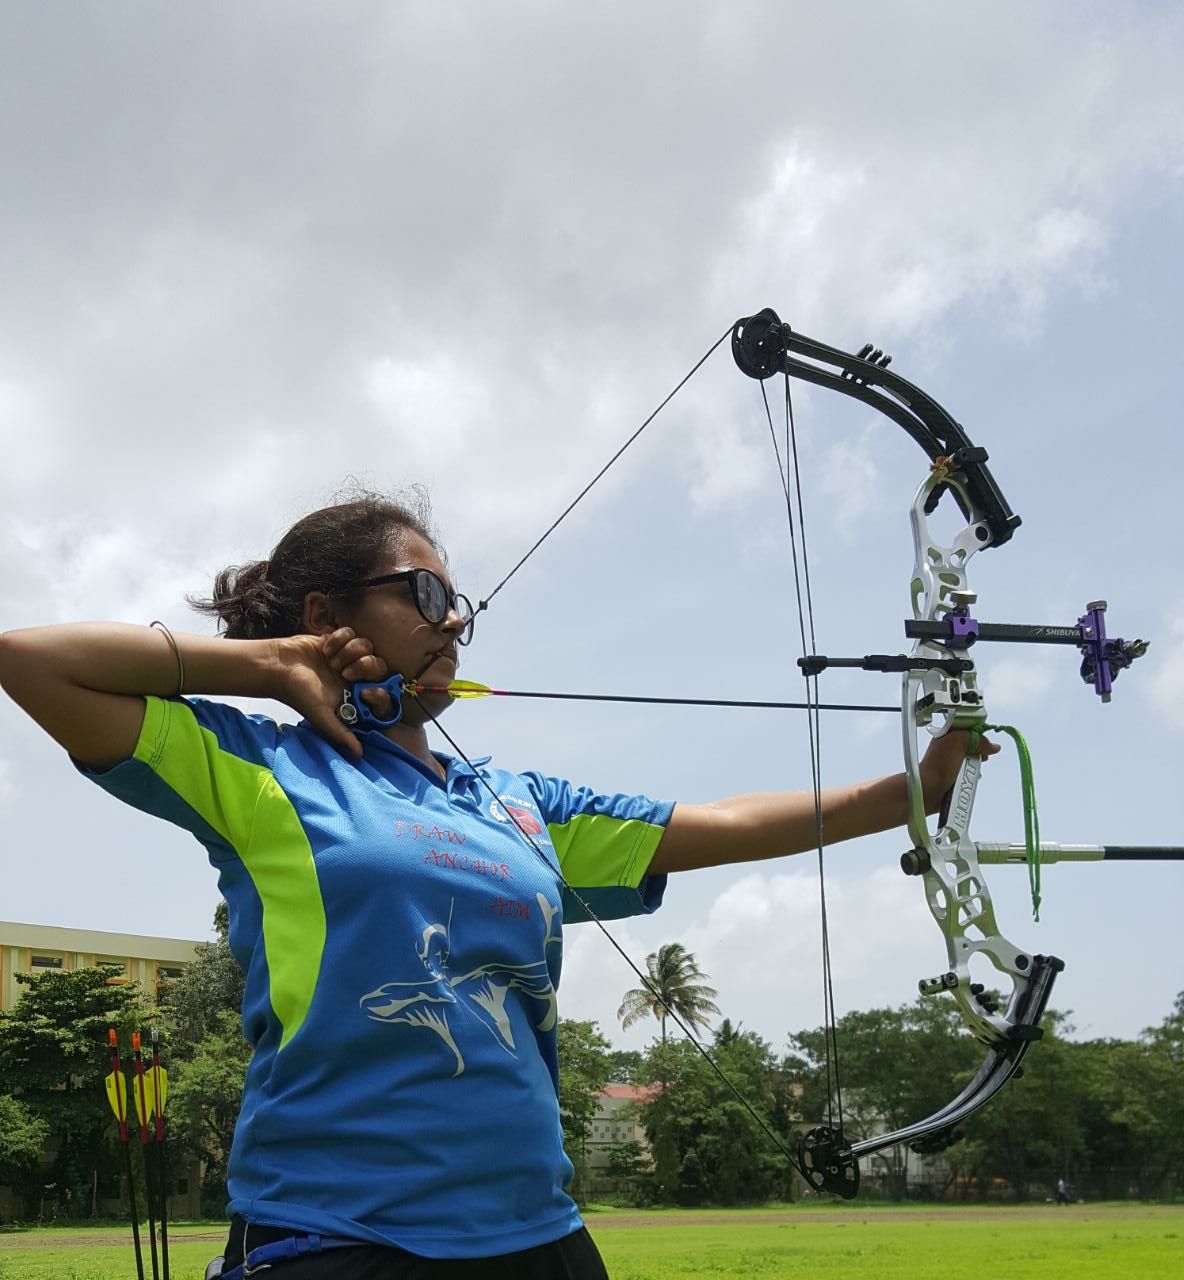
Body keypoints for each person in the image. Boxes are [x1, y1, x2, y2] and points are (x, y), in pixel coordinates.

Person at [0, 492, 995, 1279]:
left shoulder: (517, 804)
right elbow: (33, 660)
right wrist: (268, 667)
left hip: (536, 1237)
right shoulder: (261, 769)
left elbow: (721, 824)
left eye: (457, 602)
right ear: (324, 615)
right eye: (424, 594)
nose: (455, 619)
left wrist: (913, 788)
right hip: (336, 1238)